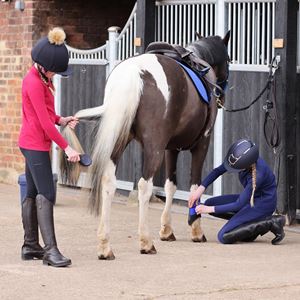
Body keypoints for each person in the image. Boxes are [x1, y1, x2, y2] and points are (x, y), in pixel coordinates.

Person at [19, 27, 81, 267]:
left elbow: (46, 114)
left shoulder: (38, 78)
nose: (56, 74)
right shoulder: (34, 82)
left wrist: (61, 119)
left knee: (33, 193)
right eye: (55, 70)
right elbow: (43, 123)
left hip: (31, 142)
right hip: (35, 144)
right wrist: (67, 147)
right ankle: (50, 251)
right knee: (47, 193)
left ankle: (30, 245)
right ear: (44, 66)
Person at [188, 139, 285, 245]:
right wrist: (200, 190)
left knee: (223, 236)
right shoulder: (240, 159)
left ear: (246, 165)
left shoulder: (258, 175)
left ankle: (270, 222)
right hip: (250, 199)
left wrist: (207, 210)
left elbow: (238, 205)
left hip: (262, 205)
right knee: (209, 203)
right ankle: (248, 227)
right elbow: (218, 171)